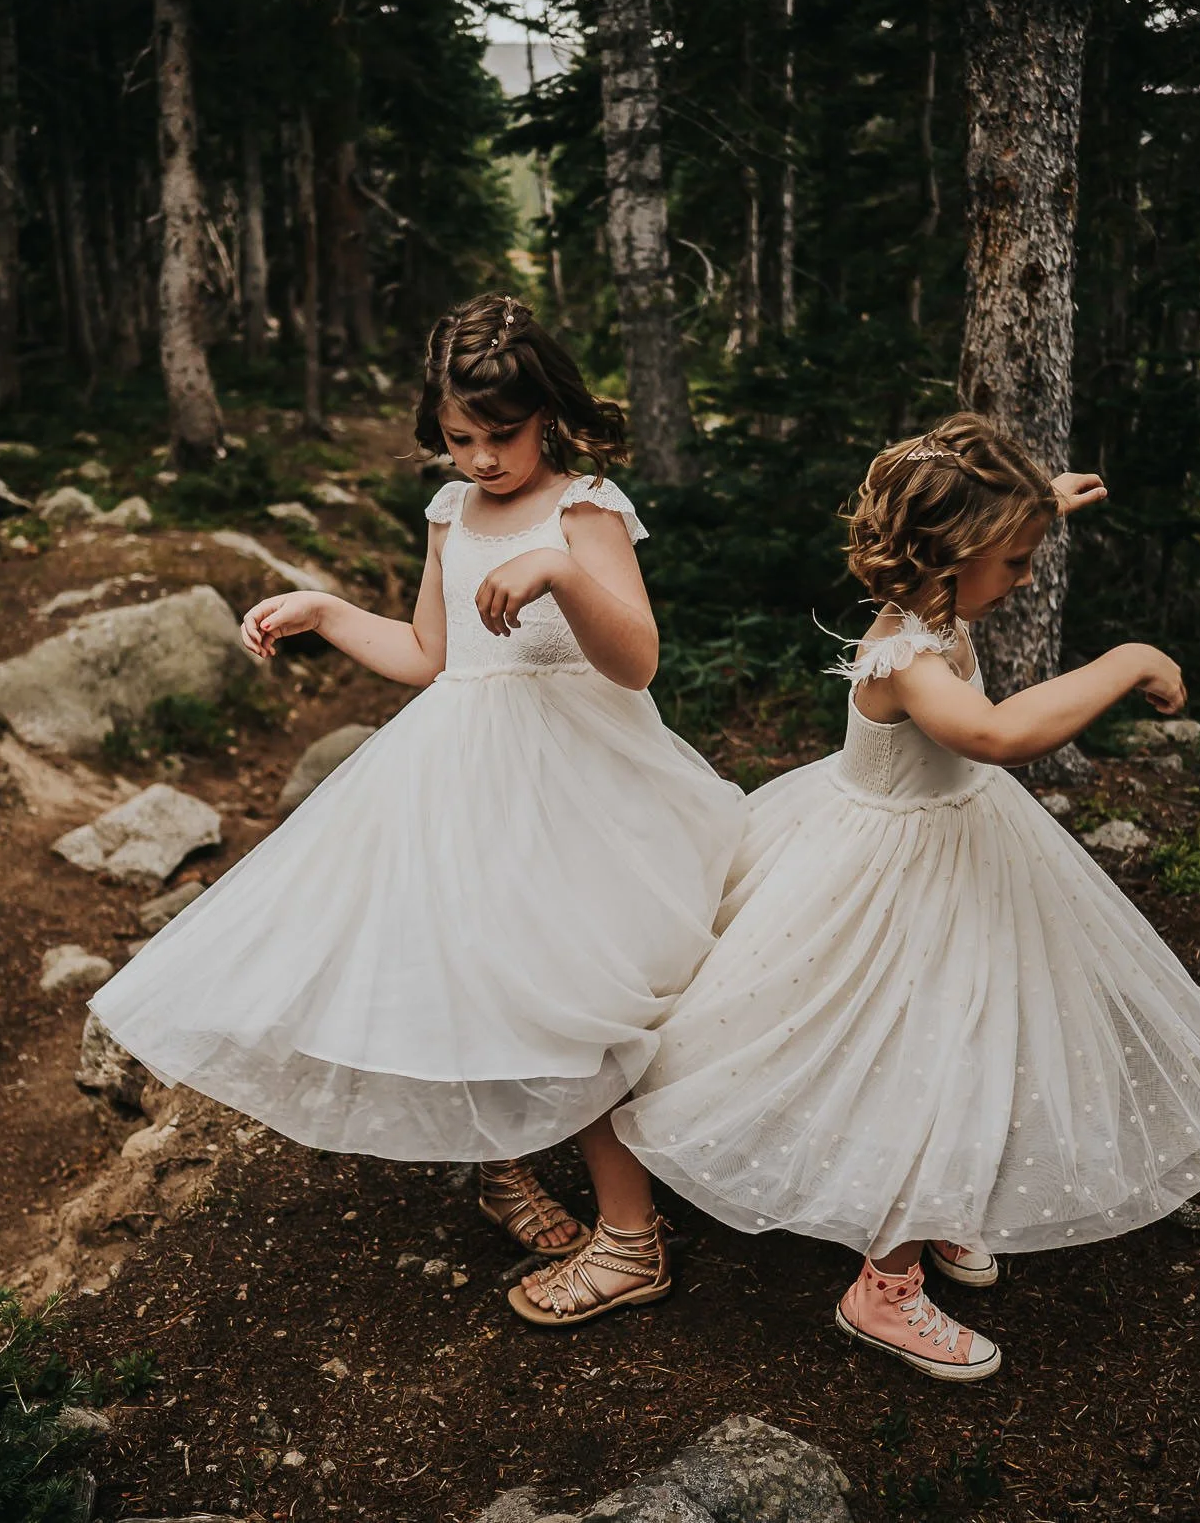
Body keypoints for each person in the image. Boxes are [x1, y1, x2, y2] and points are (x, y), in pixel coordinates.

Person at [88, 293, 743, 1308]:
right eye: (458, 439)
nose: (481, 459)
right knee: (479, 967)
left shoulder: (584, 510)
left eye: (502, 436)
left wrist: (559, 575)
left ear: (549, 415)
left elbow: (638, 660)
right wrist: (327, 609)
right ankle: (502, 1161)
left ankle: (629, 1236)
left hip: (578, 781)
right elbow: (432, 655)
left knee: (580, 985)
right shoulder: (450, 511)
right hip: (463, 772)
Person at [615, 412, 1200, 1379]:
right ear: (952, 553)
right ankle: (885, 1286)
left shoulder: (943, 595)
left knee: (980, 1033)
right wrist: (1126, 659)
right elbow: (994, 735)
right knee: (920, 1050)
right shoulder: (905, 654)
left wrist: (1046, 494)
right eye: (1017, 561)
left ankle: (939, 1199)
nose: (1028, 578)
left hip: (958, 839)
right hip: (887, 872)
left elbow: (996, 527)